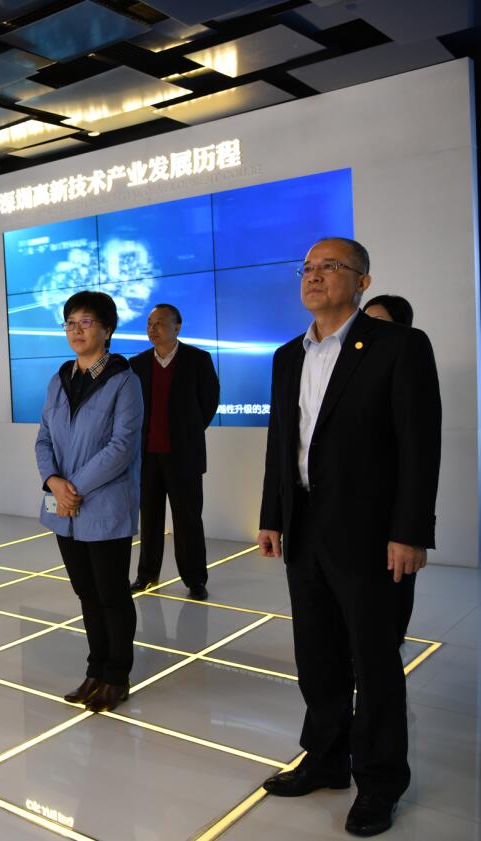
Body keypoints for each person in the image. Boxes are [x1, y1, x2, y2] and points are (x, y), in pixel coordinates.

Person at [258, 238, 440, 837]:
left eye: (329, 267)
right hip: (305, 526)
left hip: (372, 534)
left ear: (362, 281)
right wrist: (272, 514)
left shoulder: (399, 346)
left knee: (375, 660)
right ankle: (327, 759)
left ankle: (381, 782)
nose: (314, 276)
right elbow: (281, 443)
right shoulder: (287, 356)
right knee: (317, 655)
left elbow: (419, 446)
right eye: (307, 268)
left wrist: (410, 532)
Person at [36, 291, 143, 713]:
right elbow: (44, 438)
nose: (76, 330)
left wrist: (71, 487)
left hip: (102, 506)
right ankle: (95, 669)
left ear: (107, 329)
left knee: (111, 594)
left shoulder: (124, 380)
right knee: (85, 592)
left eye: (85, 322)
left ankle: (117, 675)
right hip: (64, 508)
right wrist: (53, 481)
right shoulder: (60, 379)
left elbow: (121, 447)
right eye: (70, 323)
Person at [129, 304, 220, 600]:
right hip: (147, 456)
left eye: (159, 323)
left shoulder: (198, 359)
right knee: (149, 520)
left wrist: (187, 433)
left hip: (184, 456)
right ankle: (146, 575)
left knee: (188, 520)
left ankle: (195, 579)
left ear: (177, 327)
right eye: (149, 323)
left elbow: (209, 403)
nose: (152, 328)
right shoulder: (137, 363)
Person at [363, 293, 417, 647]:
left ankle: (391, 640)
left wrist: (410, 532)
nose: (369, 329)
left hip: (392, 504)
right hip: (356, 511)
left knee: (395, 582)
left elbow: (417, 455)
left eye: (378, 321)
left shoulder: (409, 362)